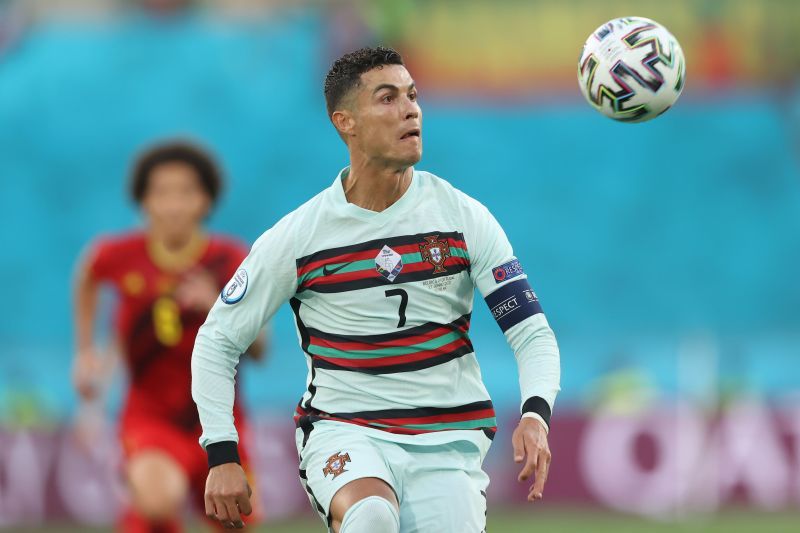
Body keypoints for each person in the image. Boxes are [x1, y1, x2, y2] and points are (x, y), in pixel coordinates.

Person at [192, 47, 560, 532]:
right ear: (345, 122)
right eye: (387, 98)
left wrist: (536, 413)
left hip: (447, 438)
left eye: (412, 96)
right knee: (370, 518)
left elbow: (531, 333)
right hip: (345, 431)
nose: (410, 109)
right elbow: (217, 340)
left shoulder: (463, 218)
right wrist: (221, 452)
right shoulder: (300, 237)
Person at [73, 141, 265, 533]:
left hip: (219, 423)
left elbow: (260, 349)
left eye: (186, 192)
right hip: (150, 416)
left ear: (206, 200)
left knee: (234, 522)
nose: (174, 204)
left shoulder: (229, 258)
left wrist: (217, 304)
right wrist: (86, 351)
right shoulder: (119, 254)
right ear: (142, 201)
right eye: (161, 192)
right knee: (159, 500)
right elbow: (88, 275)